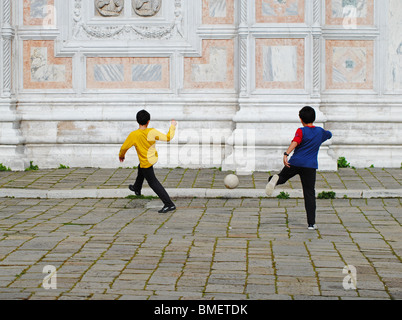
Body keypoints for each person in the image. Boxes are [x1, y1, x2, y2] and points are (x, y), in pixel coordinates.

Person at [265, 106, 332, 230]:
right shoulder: (320, 132)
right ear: (314, 118)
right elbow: (329, 134)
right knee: (309, 193)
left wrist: (286, 154)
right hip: (310, 166)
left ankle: (273, 179)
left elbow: (296, 141)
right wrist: (324, 134)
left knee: (282, 178)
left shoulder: (301, 131)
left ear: (301, 119)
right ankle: (311, 223)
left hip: (295, 163)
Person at [119, 110, 177, 214]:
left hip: (146, 163)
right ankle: (137, 187)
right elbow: (168, 137)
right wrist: (172, 125)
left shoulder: (134, 135)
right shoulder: (152, 131)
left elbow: (124, 147)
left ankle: (169, 204)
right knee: (140, 167)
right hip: (152, 158)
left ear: (137, 121)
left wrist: (121, 156)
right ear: (148, 121)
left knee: (153, 183)